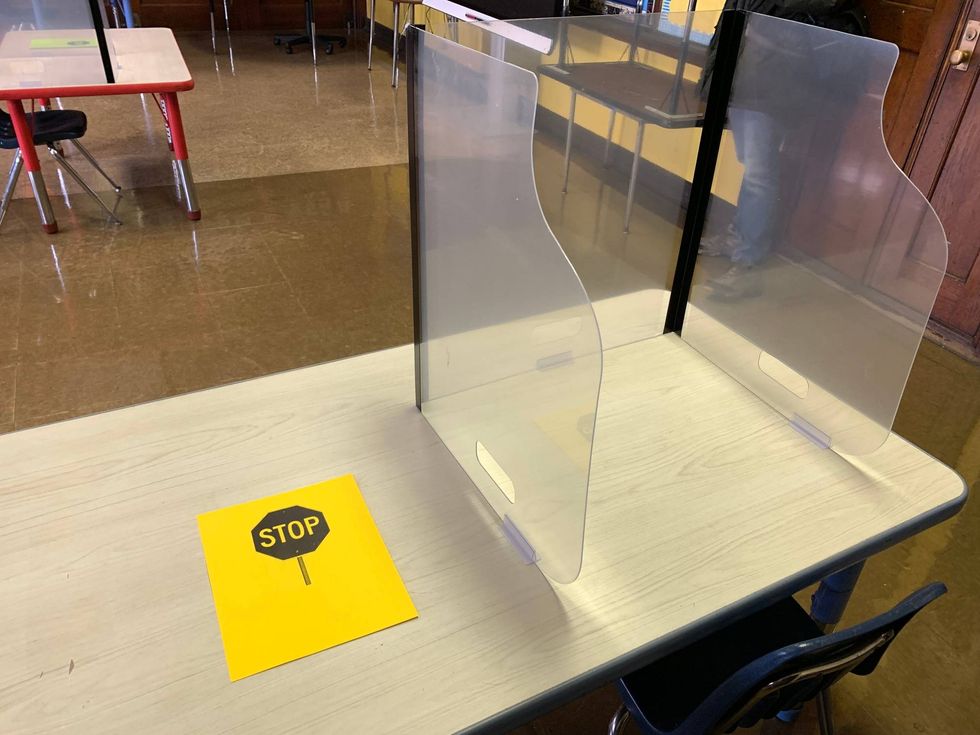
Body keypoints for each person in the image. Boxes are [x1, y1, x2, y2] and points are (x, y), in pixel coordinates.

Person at [697, 0, 869, 298]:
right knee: (751, 164)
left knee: (759, 172)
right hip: (746, 66)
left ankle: (748, 262)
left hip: (775, 77)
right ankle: (738, 237)